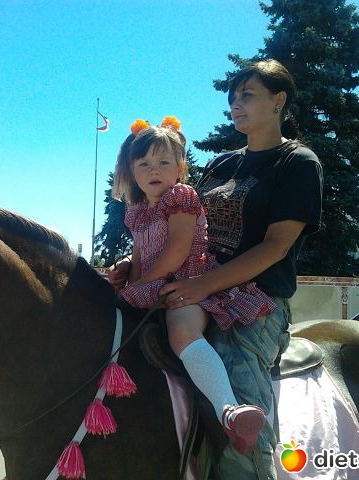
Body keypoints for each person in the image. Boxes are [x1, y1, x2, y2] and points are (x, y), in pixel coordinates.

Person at [109, 60, 323, 480]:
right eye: (232, 97)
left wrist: (201, 284)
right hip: (190, 285)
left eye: (247, 95)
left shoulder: (296, 162)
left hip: (253, 298)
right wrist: (133, 264)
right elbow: (178, 231)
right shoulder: (222, 164)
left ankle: (248, 455)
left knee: (239, 396)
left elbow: (277, 246)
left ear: (278, 100)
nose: (235, 104)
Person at [112, 116, 278, 455]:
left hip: (188, 283)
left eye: (164, 162)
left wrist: (142, 285)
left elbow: (177, 251)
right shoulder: (137, 211)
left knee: (181, 328)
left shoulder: (181, 197)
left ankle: (228, 410)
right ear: (132, 171)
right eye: (144, 164)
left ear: (180, 167)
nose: (154, 170)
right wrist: (129, 277)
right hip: (154, 285)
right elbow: (140, 254)